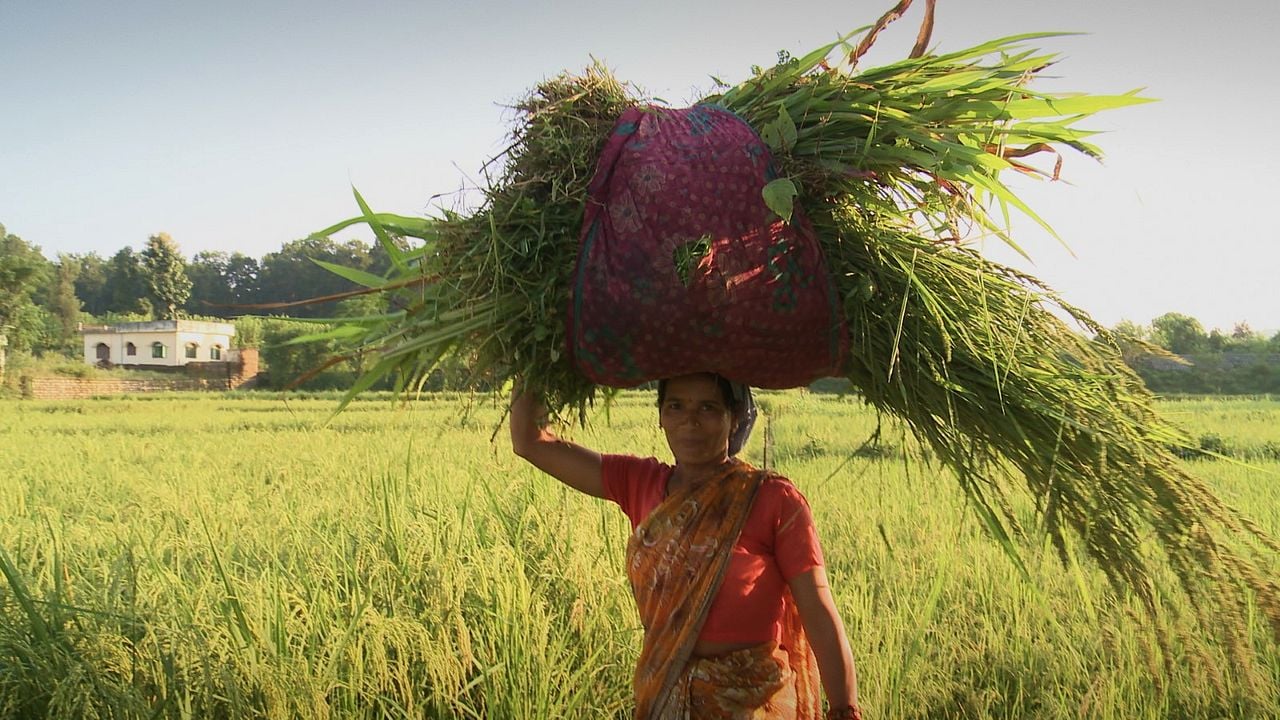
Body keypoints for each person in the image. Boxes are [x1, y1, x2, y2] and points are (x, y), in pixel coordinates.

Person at [510, 372, 861, 719]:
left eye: (708, 408)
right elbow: (530, 442)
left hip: (752, 702)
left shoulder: (773, 499)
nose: (690, 421)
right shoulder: (639, 482)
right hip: (665, 697)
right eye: (676, 406)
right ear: (661, 416)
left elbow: (818, 611)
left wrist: (845, 710)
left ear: (735, 417)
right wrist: (535, 353)